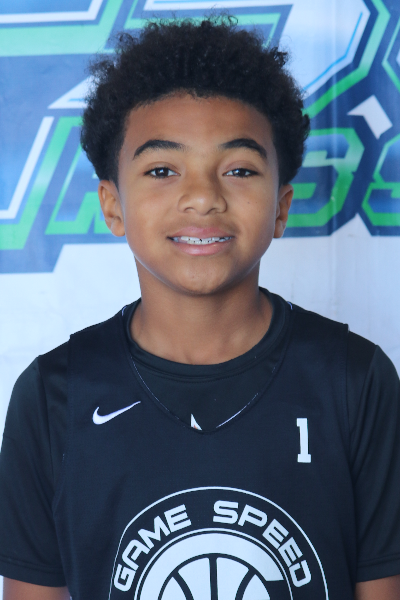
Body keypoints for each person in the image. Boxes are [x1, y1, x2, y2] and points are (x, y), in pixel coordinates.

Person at [0, 16, 399, 600]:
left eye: (239, 169)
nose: (203, 197)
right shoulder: (54, 395)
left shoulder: (354, 381)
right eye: (163, 170)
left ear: (281, 206)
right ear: (112, 206)